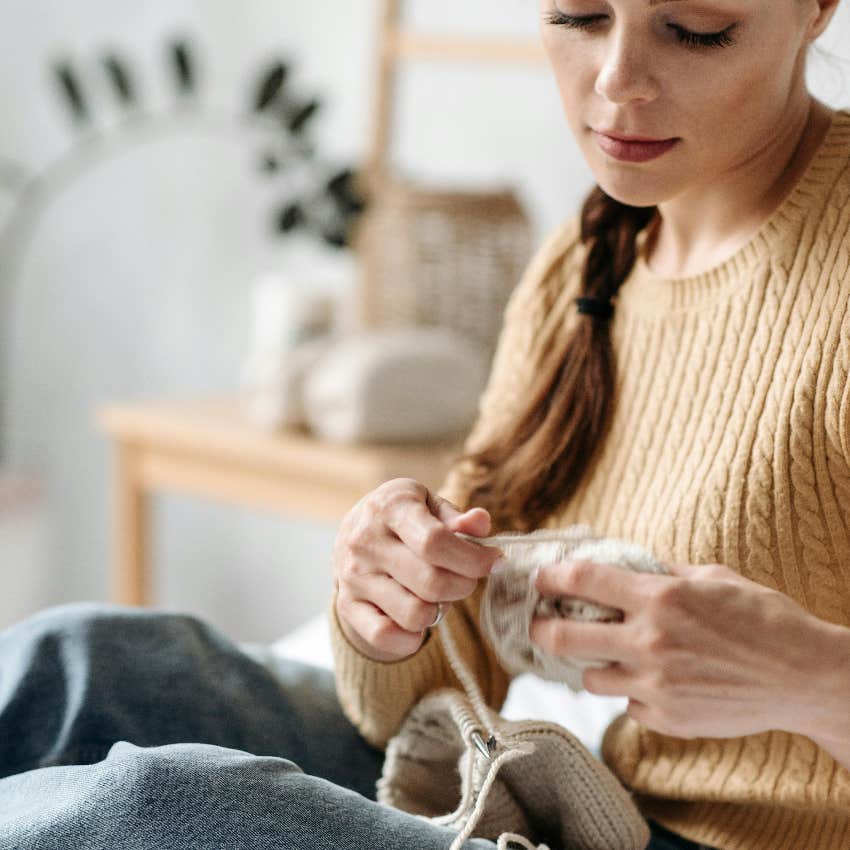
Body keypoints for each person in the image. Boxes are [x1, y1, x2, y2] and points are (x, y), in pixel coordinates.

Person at [1, 1, 847, 849]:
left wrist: (807, 676)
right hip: (587, 804)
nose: (617, 79)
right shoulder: (581, 273)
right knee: (71, 666)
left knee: (151, 808)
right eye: (579, 15)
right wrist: (390, 606)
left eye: (697, 30)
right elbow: (433, 703)